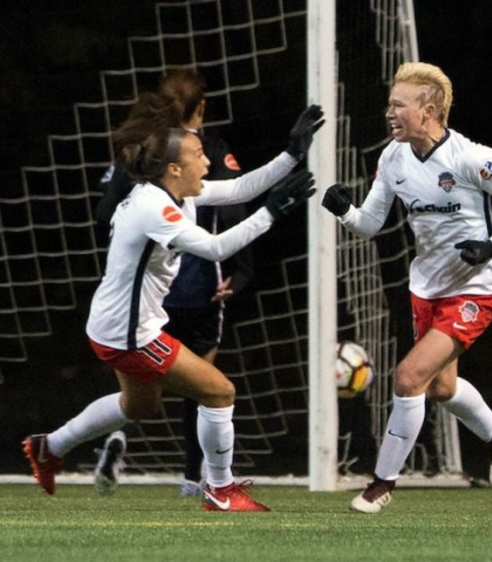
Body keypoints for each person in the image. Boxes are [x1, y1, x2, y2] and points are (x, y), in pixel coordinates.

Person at [23, 98, 323, 512]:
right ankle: (220, 489)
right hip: (130, 335)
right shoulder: (156, 207)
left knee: (138, 406)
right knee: (220, 392)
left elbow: (239, 187)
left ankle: (48, 447)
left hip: (115, 325)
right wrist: (270, 214)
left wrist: (291, 154)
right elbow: (217, 248)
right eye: (199, 155)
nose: (207, 162)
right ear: (174, 168)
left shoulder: (175, 193)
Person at [322, 61, 492, 513]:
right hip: (427, 288)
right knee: (440, 389)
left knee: (408, 378)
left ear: (430, 110)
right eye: (389, 104)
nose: (390, 113)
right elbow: (369, 223)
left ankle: (380, 485)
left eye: (399, 105)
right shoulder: (393, 157)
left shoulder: (469, 156)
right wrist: (344, 211)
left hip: (476, 289)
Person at [95, 69, 254, 497]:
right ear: (201, 107)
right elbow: (234, 205)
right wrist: (243, 271)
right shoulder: (207, 149)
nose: (200, 164)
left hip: (144, 298)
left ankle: (115, 438)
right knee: (208, 389)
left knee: (143, 396)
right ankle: (198, 480)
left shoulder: (137, 153)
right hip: (198, 287)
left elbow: (104, 214)